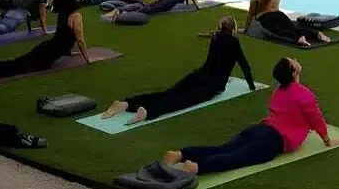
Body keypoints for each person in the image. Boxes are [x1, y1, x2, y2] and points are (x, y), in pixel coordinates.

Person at [160, 58, 339, 175]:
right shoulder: (304, 94)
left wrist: (295, 77)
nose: (296, 60)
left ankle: (180, 154)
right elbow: (315, 117)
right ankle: (196, 168)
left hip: (259, 130)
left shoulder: (280, 90)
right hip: (272, 141)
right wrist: (327, 140)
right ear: (294, 72)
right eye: (293, 62)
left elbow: (295, 95)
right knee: (235, 158)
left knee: (222, 149)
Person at [100, 16, 256, 125]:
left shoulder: (215, 38)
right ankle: (148, 111)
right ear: (233, 30)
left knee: (169, 93)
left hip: (198, 75)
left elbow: (215, 61)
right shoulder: (234, 42)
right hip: (211, 86)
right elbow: (244, 65)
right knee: (178, 102)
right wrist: (252, 87)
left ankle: (126, 103)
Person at [0, 0, 90, 84]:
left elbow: (63, 37)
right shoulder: (76, 16)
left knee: (16, 63)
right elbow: (80, 40)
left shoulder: (63, 14)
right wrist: (87, 59)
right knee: (16, 67)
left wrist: (70, 53)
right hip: (47, 54)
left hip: (47, 48)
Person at [244, 0, 329, 46]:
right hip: (280, 15)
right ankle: (317, 34)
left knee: (277, 32)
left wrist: (245, 30)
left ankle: (298, 39)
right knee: (293, 28)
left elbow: (251, 14)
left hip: (265, 18)